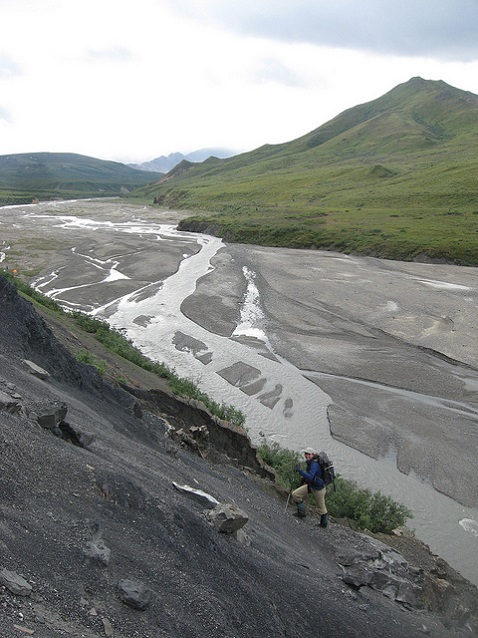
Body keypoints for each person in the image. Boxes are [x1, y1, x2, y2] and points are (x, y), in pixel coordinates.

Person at [291, 447, 328, 527]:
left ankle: (324, 523)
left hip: (319, 489)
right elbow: (310, 477)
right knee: (295, 494)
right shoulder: (310, 463)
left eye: (308, 454)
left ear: (313, 455)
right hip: (311, 486)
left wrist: (300, 471)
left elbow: (310, 477)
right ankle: (301, 513)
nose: (306, 455)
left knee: (321, 508)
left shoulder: (315, 464)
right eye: (305, 454)